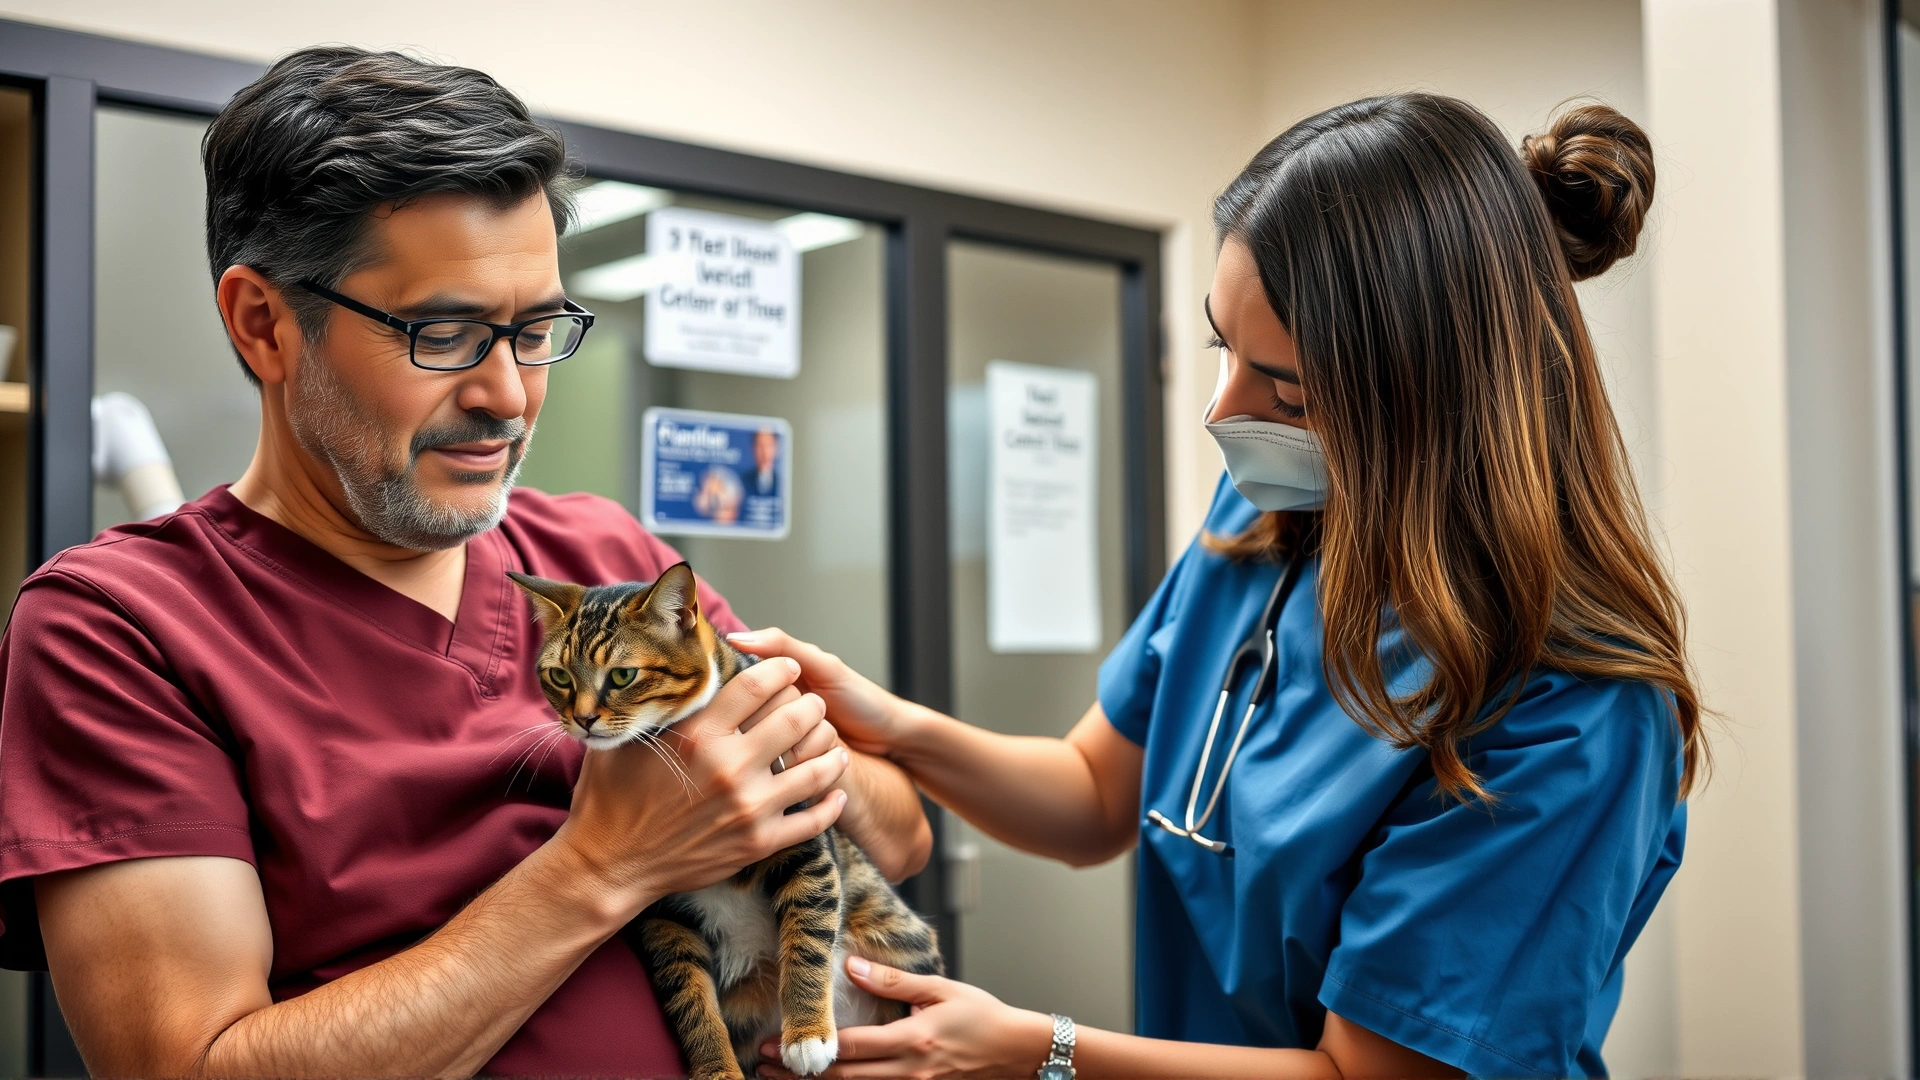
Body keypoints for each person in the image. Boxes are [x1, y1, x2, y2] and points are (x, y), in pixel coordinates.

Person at [0, 47, 931, 1077]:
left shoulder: (600, 558)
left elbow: (898, 834)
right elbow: (186, 1066)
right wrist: (602, 865)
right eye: (443, 334)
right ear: (263, 325)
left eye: (536, 332)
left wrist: (790, 775)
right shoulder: (124, 628)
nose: (509, 395)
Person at [737, 95, 1700, 1080]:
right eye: (1220, 347)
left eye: (1287, 389)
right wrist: (886, 722)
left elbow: (1367, 1072)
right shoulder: (1262, 536)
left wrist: (1045, 1053)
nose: (1222, 409)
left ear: (1426, 395)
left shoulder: (1572, 709)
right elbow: (1094, 795)